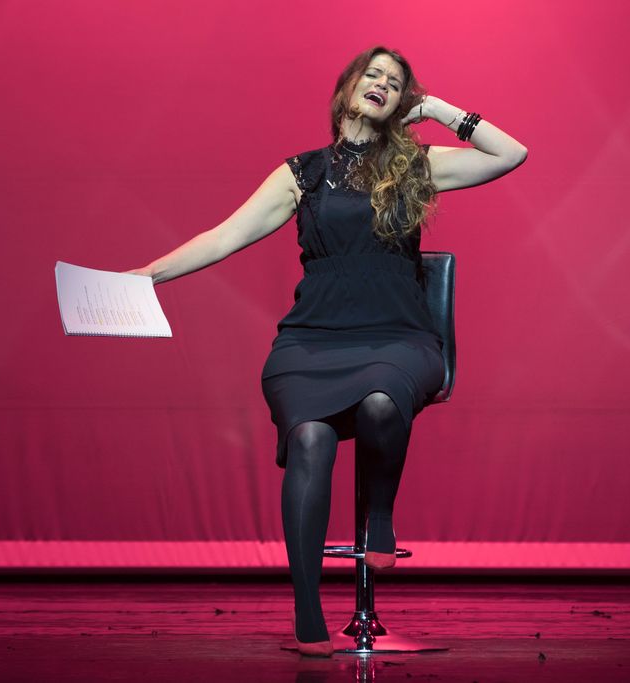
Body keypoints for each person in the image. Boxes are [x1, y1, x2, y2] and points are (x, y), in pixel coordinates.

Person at [126, 46, 527, 656]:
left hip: (399, 336)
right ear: (347, 88)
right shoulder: (302, 174)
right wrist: (148, 275)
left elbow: (509, 154)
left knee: (381, 401)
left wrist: (438, 109)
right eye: (373, 74)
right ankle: (308, 613)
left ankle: (380, 518)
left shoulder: (414, 165)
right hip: (311, 341)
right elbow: (224, 236)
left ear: (401, 101)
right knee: (310, 438)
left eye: (395, 82)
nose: (383, 84)